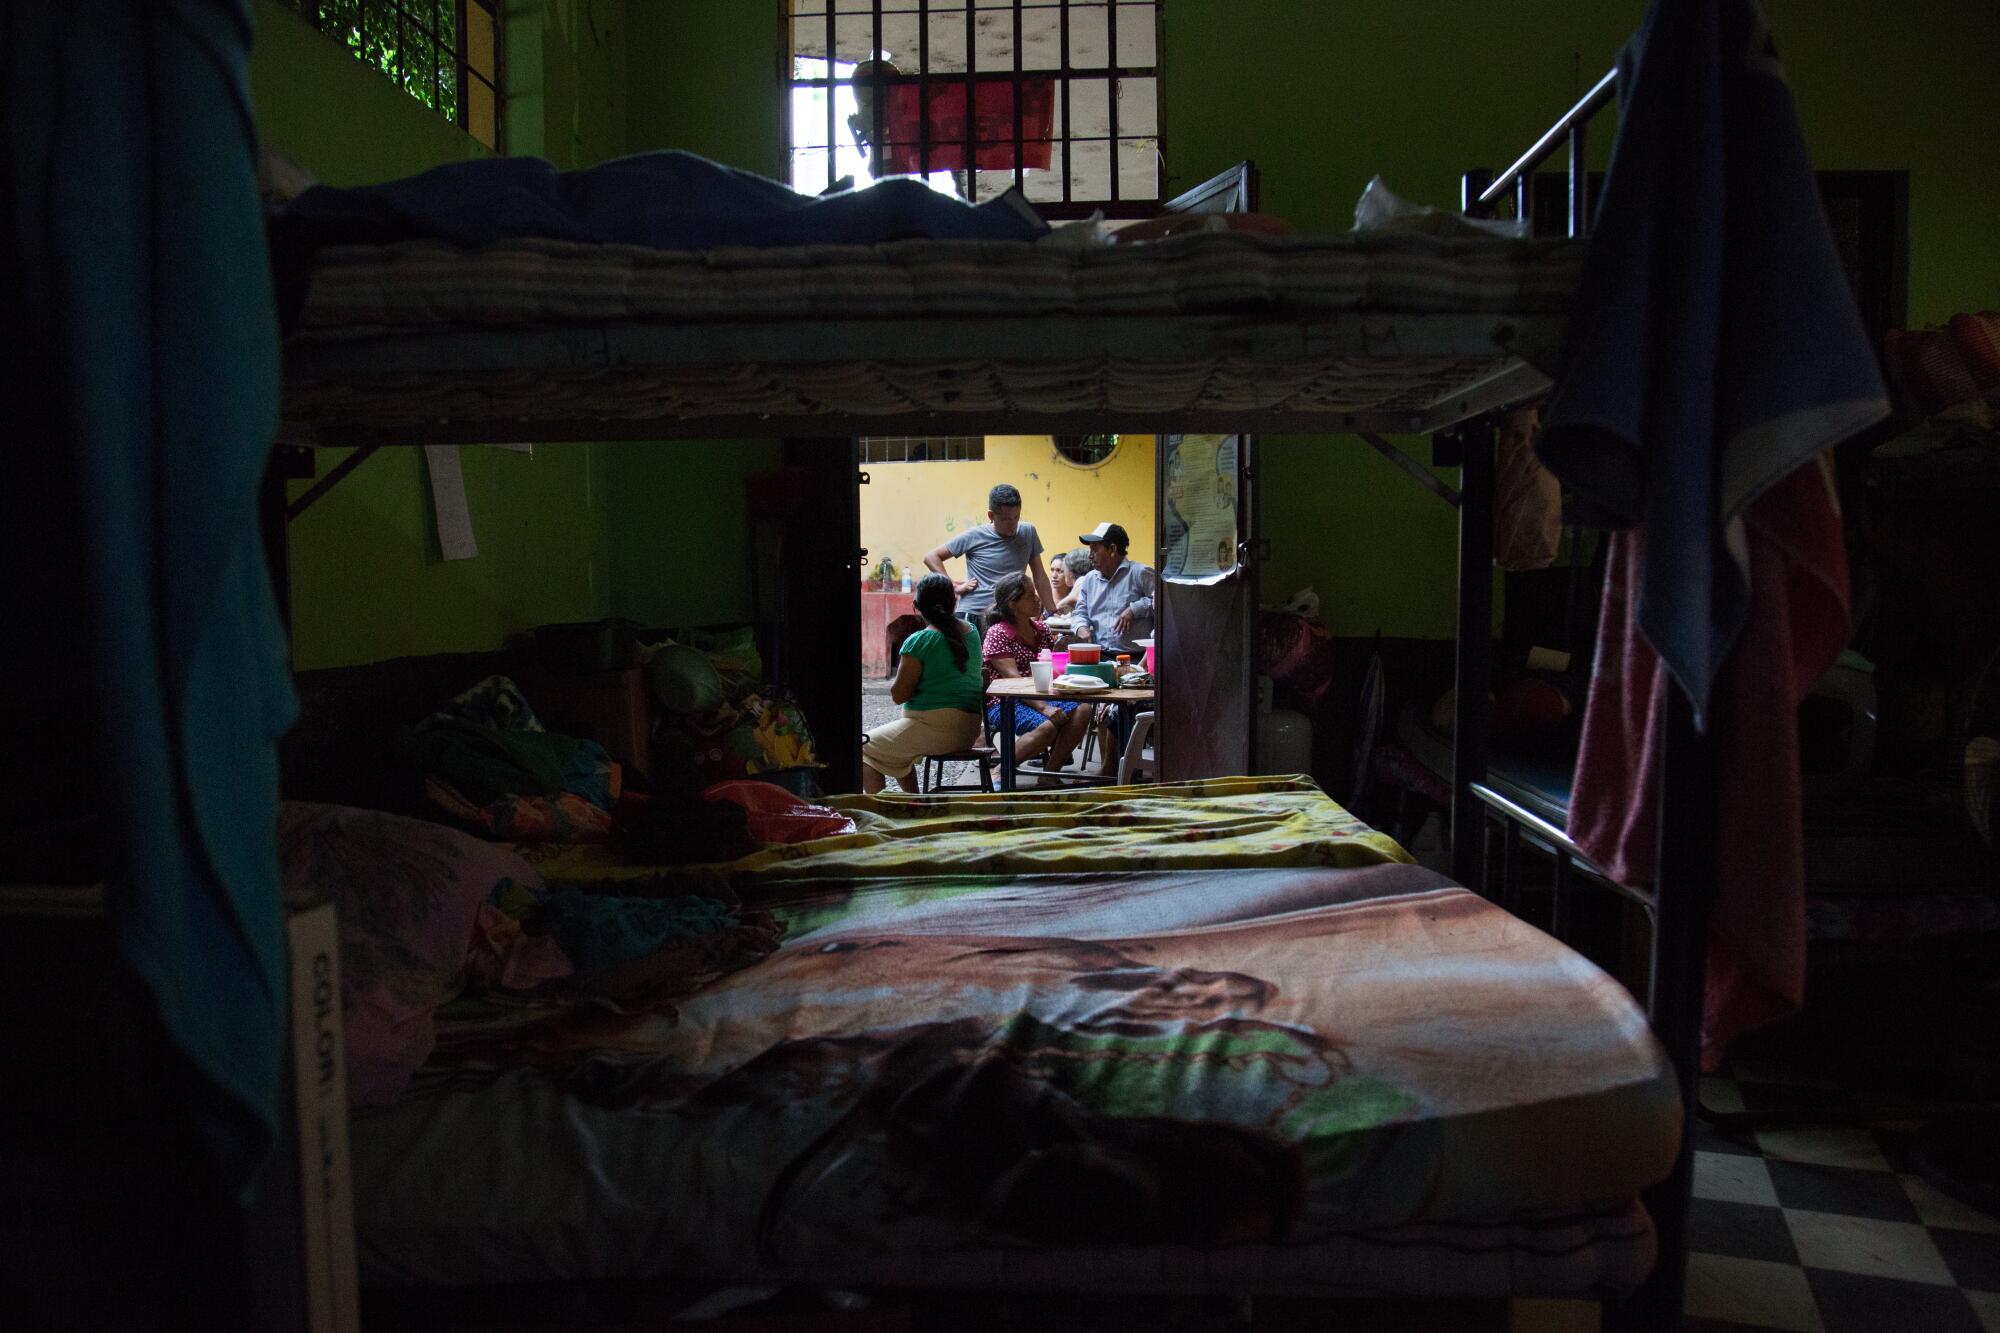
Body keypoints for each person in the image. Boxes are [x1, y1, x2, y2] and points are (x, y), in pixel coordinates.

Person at [861, 574, 984, 794]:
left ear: (916, 607)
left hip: (934, 729)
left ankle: (878, 811)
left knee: (860, 749)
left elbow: (899, 695)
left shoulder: (920, 641)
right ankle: (914, 802)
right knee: (893, 745)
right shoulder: (972, 632)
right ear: (954, 602)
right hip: (969, 729)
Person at [981, 573, 1091, 780]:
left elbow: (1051, 668)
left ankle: (1050, 773)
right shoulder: (998, 634)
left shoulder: (1041, 630)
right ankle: (1002, 769)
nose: (1037, 599)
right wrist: (1044, 707)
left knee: (1083, 709)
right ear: (1013, 604)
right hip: (1005, 701)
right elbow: (1013, 680)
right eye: (1030, 596)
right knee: (1048, 726)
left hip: (1042, 694)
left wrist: (1062, 654)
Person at [923, 482, 1058, 628]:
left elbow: (1039, 575)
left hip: (1009, 614)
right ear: (991, 515)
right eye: (1006, 519)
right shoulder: (974, 536)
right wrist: (952, 586)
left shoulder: (1028, 532)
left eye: (1016, 517)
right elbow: (931, 557)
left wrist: (1052, 612)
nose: (1012, 524)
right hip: (975, 615)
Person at [1068, 521, 1157, 657]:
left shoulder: (1139, 573)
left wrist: (1134, 609)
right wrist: (1081, 627)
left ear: (1112, 550)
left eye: (1095, 550)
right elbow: (1080, 612)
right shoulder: (1089, 579)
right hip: (1100, 657)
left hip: (1136, 659)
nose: (1090, 555)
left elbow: (1163, 604)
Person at [1049, 549, 1091, 615]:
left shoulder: (1082, 581)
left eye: (1060, 571)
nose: (1054, 575)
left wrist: (1062, 603)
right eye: (1052, 570)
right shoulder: (1044, 590)